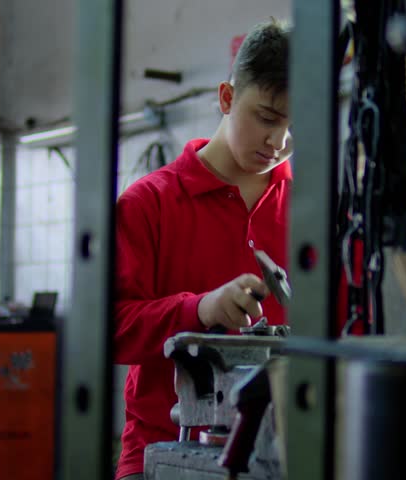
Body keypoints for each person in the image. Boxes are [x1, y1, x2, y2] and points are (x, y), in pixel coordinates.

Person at [113, 19, 292, 480]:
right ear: (227, 98)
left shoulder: (313, 212)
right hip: (161, 451)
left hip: (286, 455)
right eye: (268, 118)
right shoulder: (147, 204)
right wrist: (202, 308)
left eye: (297, 125)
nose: (280, 142)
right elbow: (111, 329)